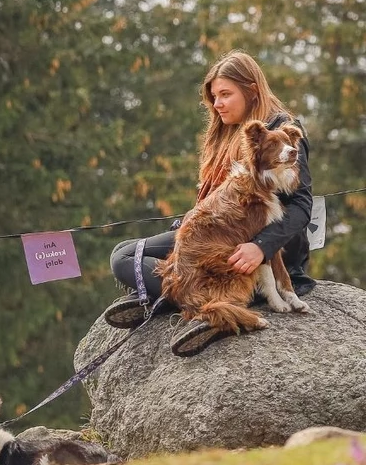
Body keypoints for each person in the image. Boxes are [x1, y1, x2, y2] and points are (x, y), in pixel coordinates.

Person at [102, 49, 314, 356]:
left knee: (129, 263)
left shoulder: (281, 130)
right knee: (123, 255)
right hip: (220, 231)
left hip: (266, 244)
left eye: (226, 94)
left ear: (252, 90)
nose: (218, 104)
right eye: (214, 97)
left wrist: (262, 247)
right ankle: (174, 298)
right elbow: (216, 199)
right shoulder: (225, 130)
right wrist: (187, 227)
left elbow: (302, 205)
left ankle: (197, 304)